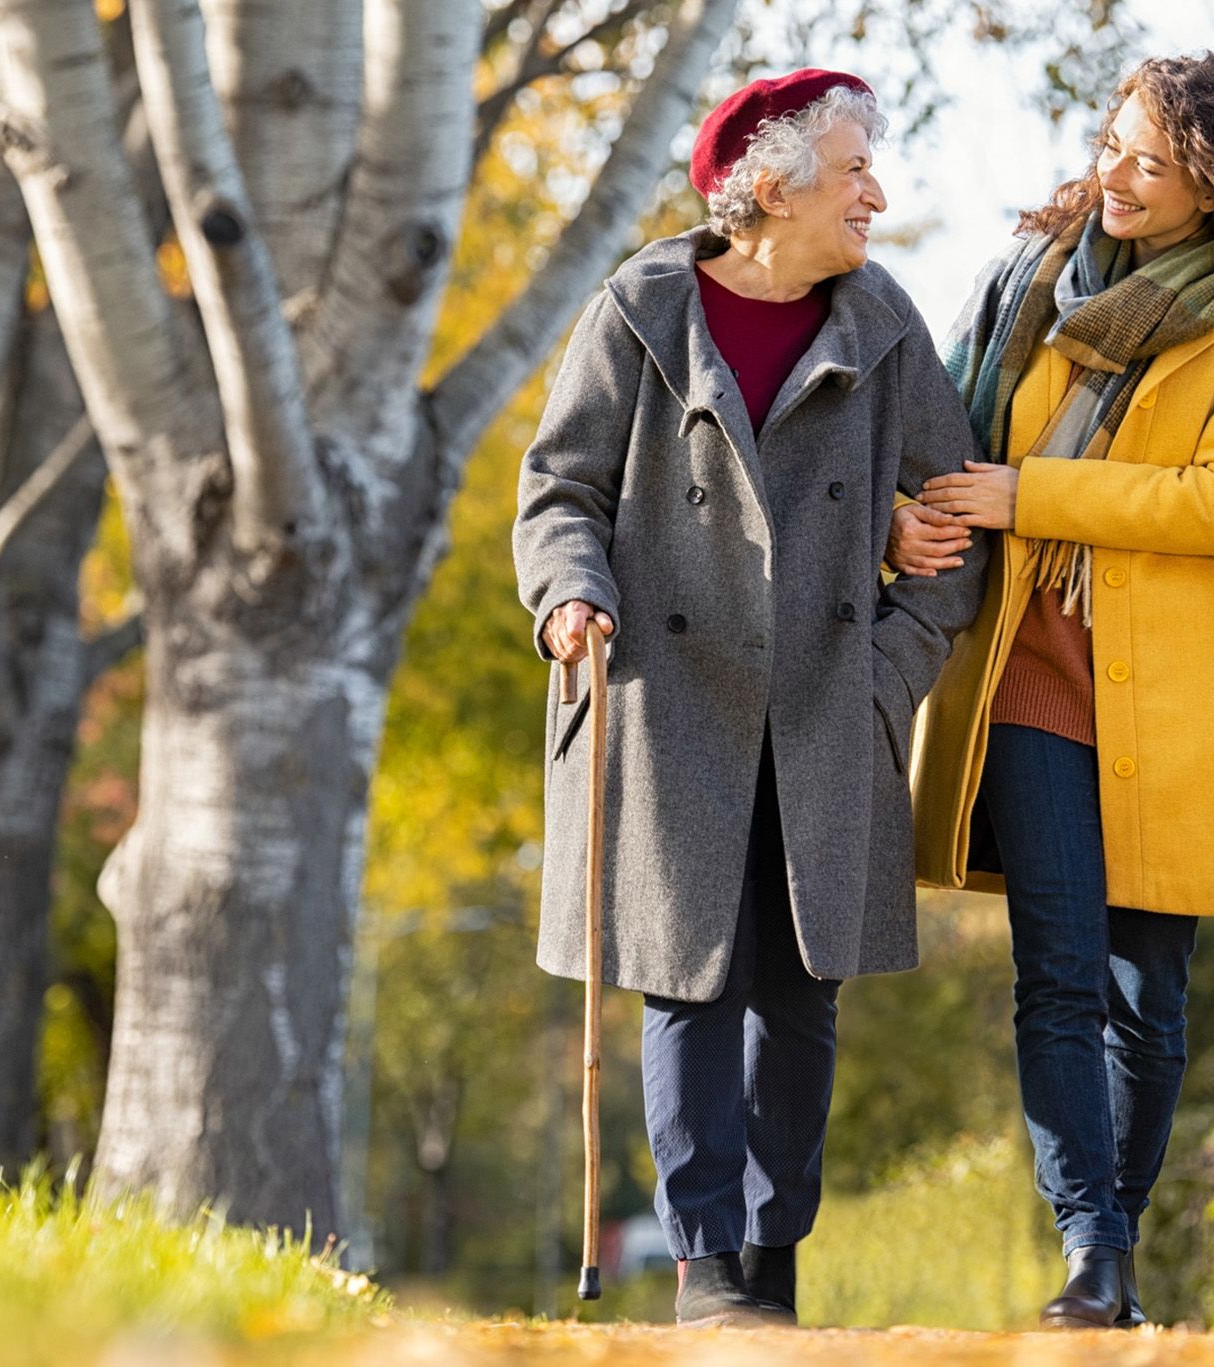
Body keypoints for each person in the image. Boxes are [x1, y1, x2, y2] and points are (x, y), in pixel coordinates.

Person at [886, 53, 1214, 1328]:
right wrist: (904, 513)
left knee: (1149, 996)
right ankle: (1089, 1252)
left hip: (1176, 698)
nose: (1114, 176)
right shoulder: (1033, 280)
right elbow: (937, 430)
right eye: (1110, 144)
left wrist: (1030, 494)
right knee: (1058, 971)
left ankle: (1117, 1248)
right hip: (1032, 668)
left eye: (1148, 162)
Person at [513, 69, 987, 1326]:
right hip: (669, 699)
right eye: (852, 174)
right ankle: (706, 1263)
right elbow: (560, 489)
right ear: (767, 192)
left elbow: (954, 525)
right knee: (690, 978)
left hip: (828, 704)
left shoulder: (881, 322)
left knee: (799, 987)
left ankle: (774, 1260)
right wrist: (567, 591)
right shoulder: (640, 311)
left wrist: (887, 676)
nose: (876, 196)